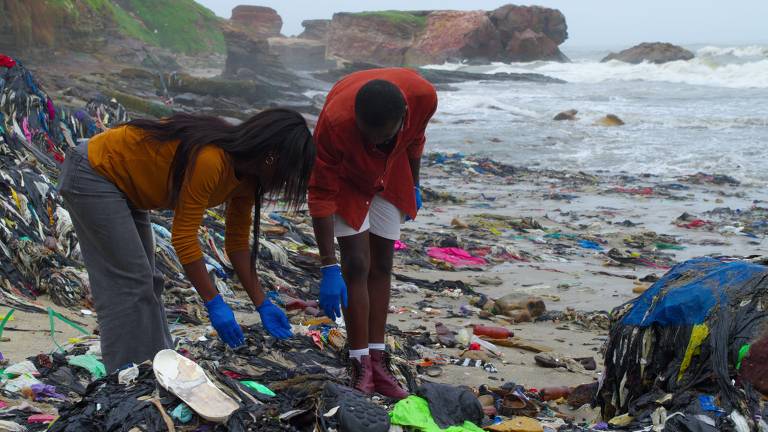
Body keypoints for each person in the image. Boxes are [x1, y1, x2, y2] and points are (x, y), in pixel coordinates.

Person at [58, 109, 315, 372]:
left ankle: (158, 365)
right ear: (272, 158)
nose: (285, 182)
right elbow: (183, 237)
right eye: (288, 172)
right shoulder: (212, 159)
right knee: (130, 285)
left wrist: (262, 303)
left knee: (150, 283)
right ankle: (123, 375)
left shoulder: (248, 180)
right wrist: (214, 303)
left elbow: (237, 243)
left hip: (127, 187)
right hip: (94, 172)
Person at [309, 68, 437, 398]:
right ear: (357, 119)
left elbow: (416, 142)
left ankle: (378, 360)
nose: (373, 142)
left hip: (393, 169)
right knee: (355, 263)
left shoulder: (424, 99)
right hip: (348, 176)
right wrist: (327, 266)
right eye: (368, 135)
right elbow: (321, 192)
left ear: (403, 116)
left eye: (381, 136)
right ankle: (359, 363)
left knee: (382, 265)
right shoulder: (336, 124)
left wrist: (414, 183)